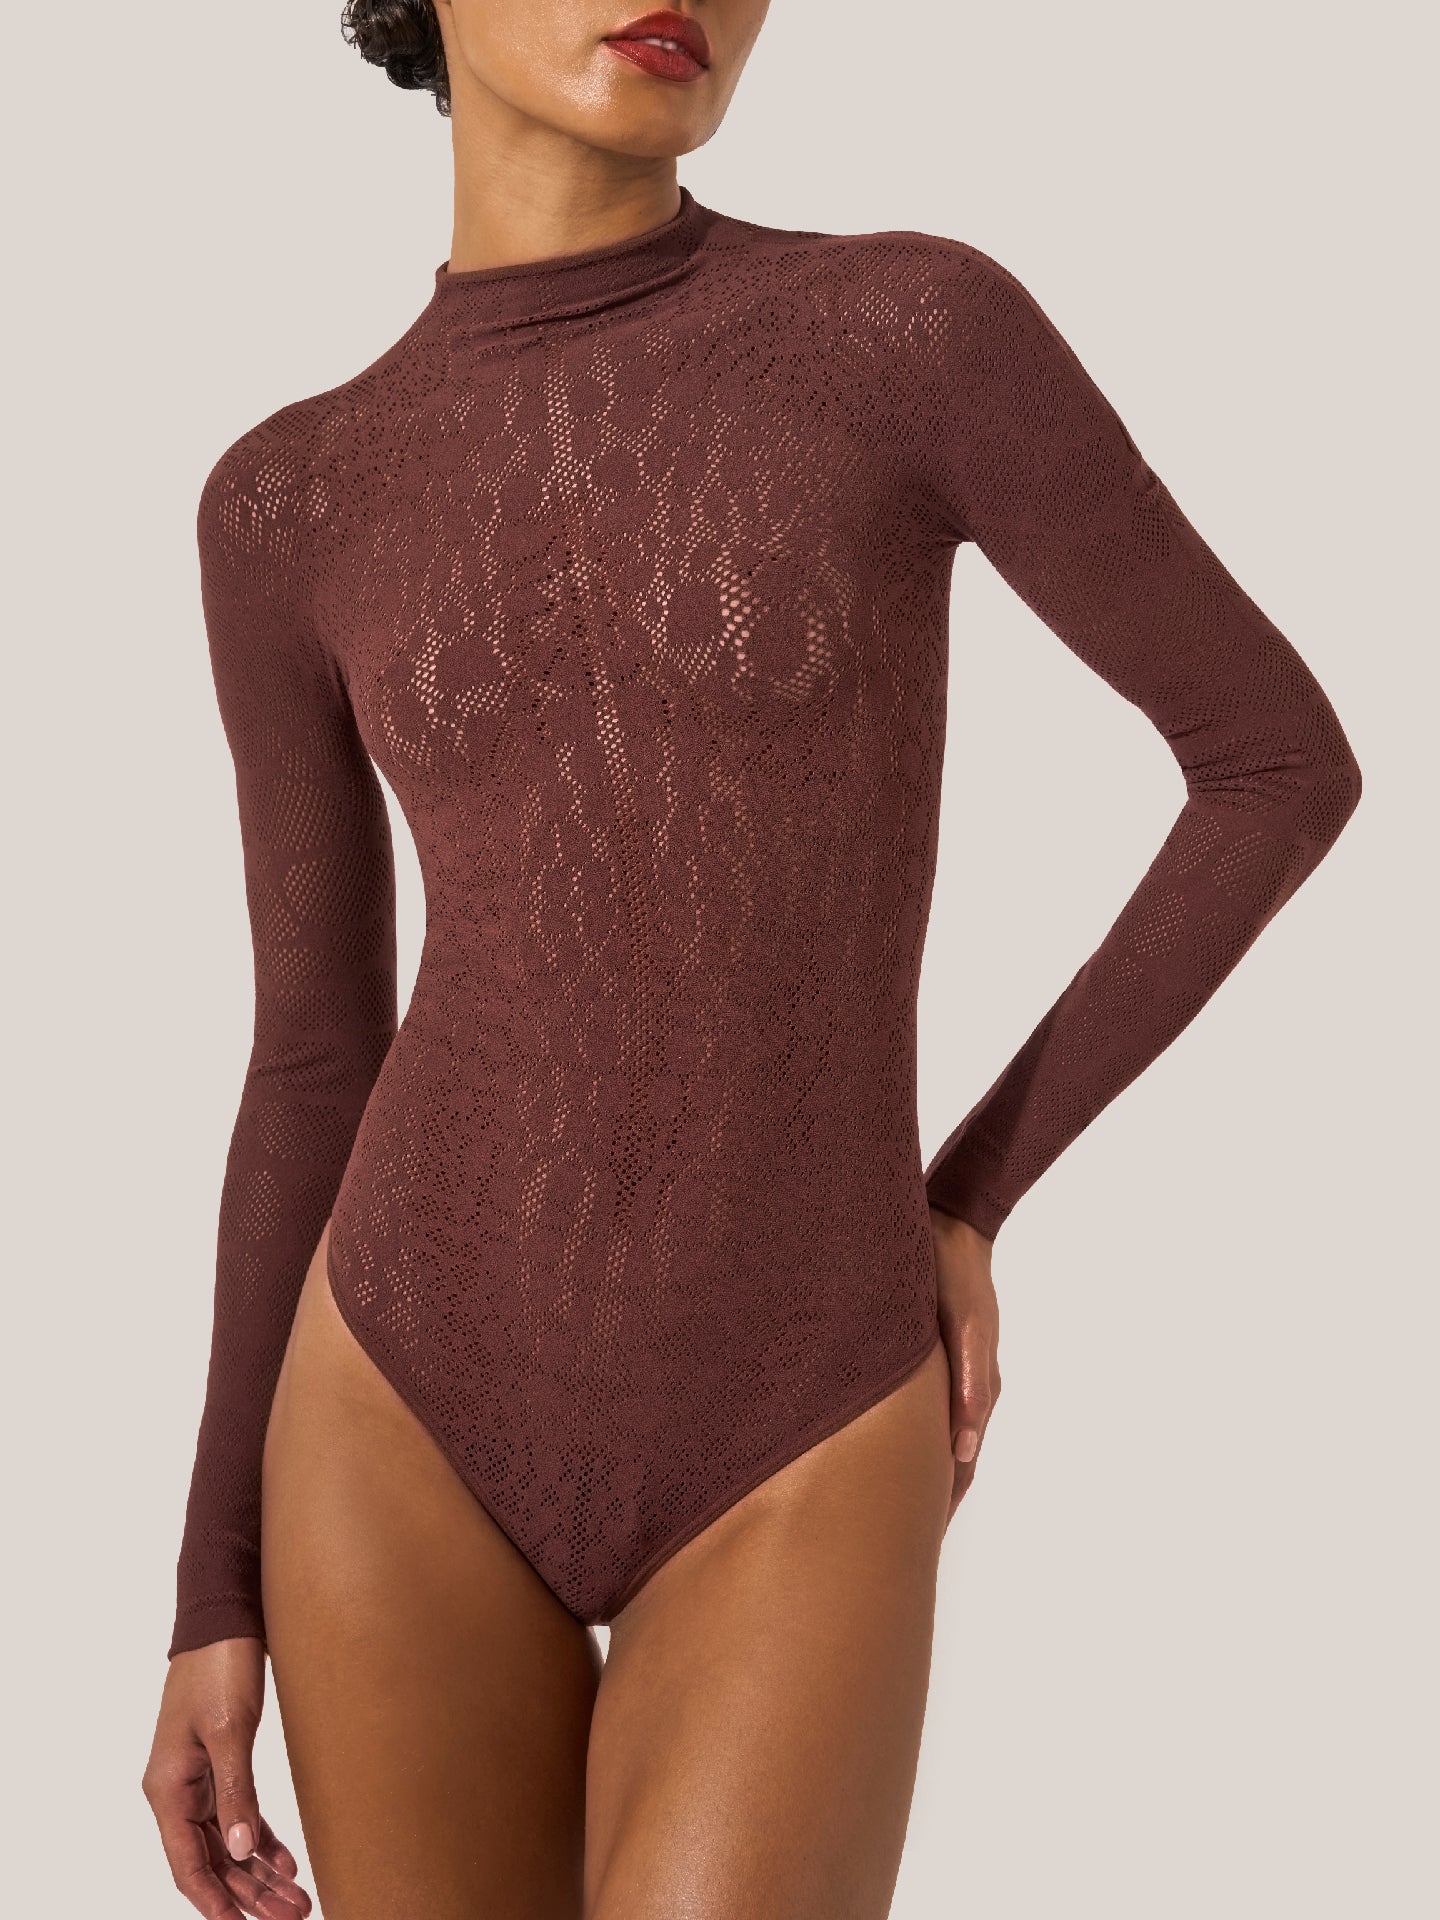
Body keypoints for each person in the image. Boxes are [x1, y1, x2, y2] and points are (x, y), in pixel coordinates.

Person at [141, 3, 1363, 1915]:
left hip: (804, 1386)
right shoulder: (287, 498)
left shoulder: (907, 333)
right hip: (395, 1399)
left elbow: (1275, 767)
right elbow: (313, 1053)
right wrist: (210, 1587)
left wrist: (965, 1197)